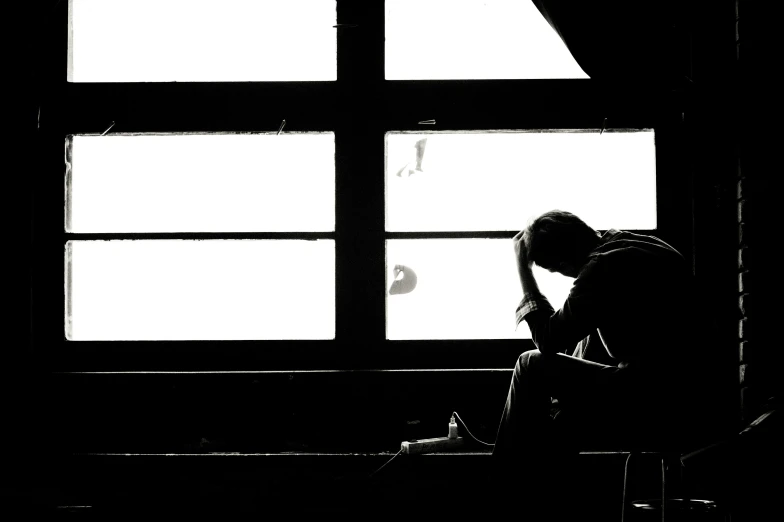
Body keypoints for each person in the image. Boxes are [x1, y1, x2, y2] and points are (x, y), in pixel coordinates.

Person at [490, 210, 711, 510]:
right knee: (565, 423)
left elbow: (549, 338)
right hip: (693, 394)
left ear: (562, 264)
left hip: (655, 397)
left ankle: (499, 487)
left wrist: (523, 270)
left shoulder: (602, 267)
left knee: (529, 364)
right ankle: (530, 500)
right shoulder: (641, 245)